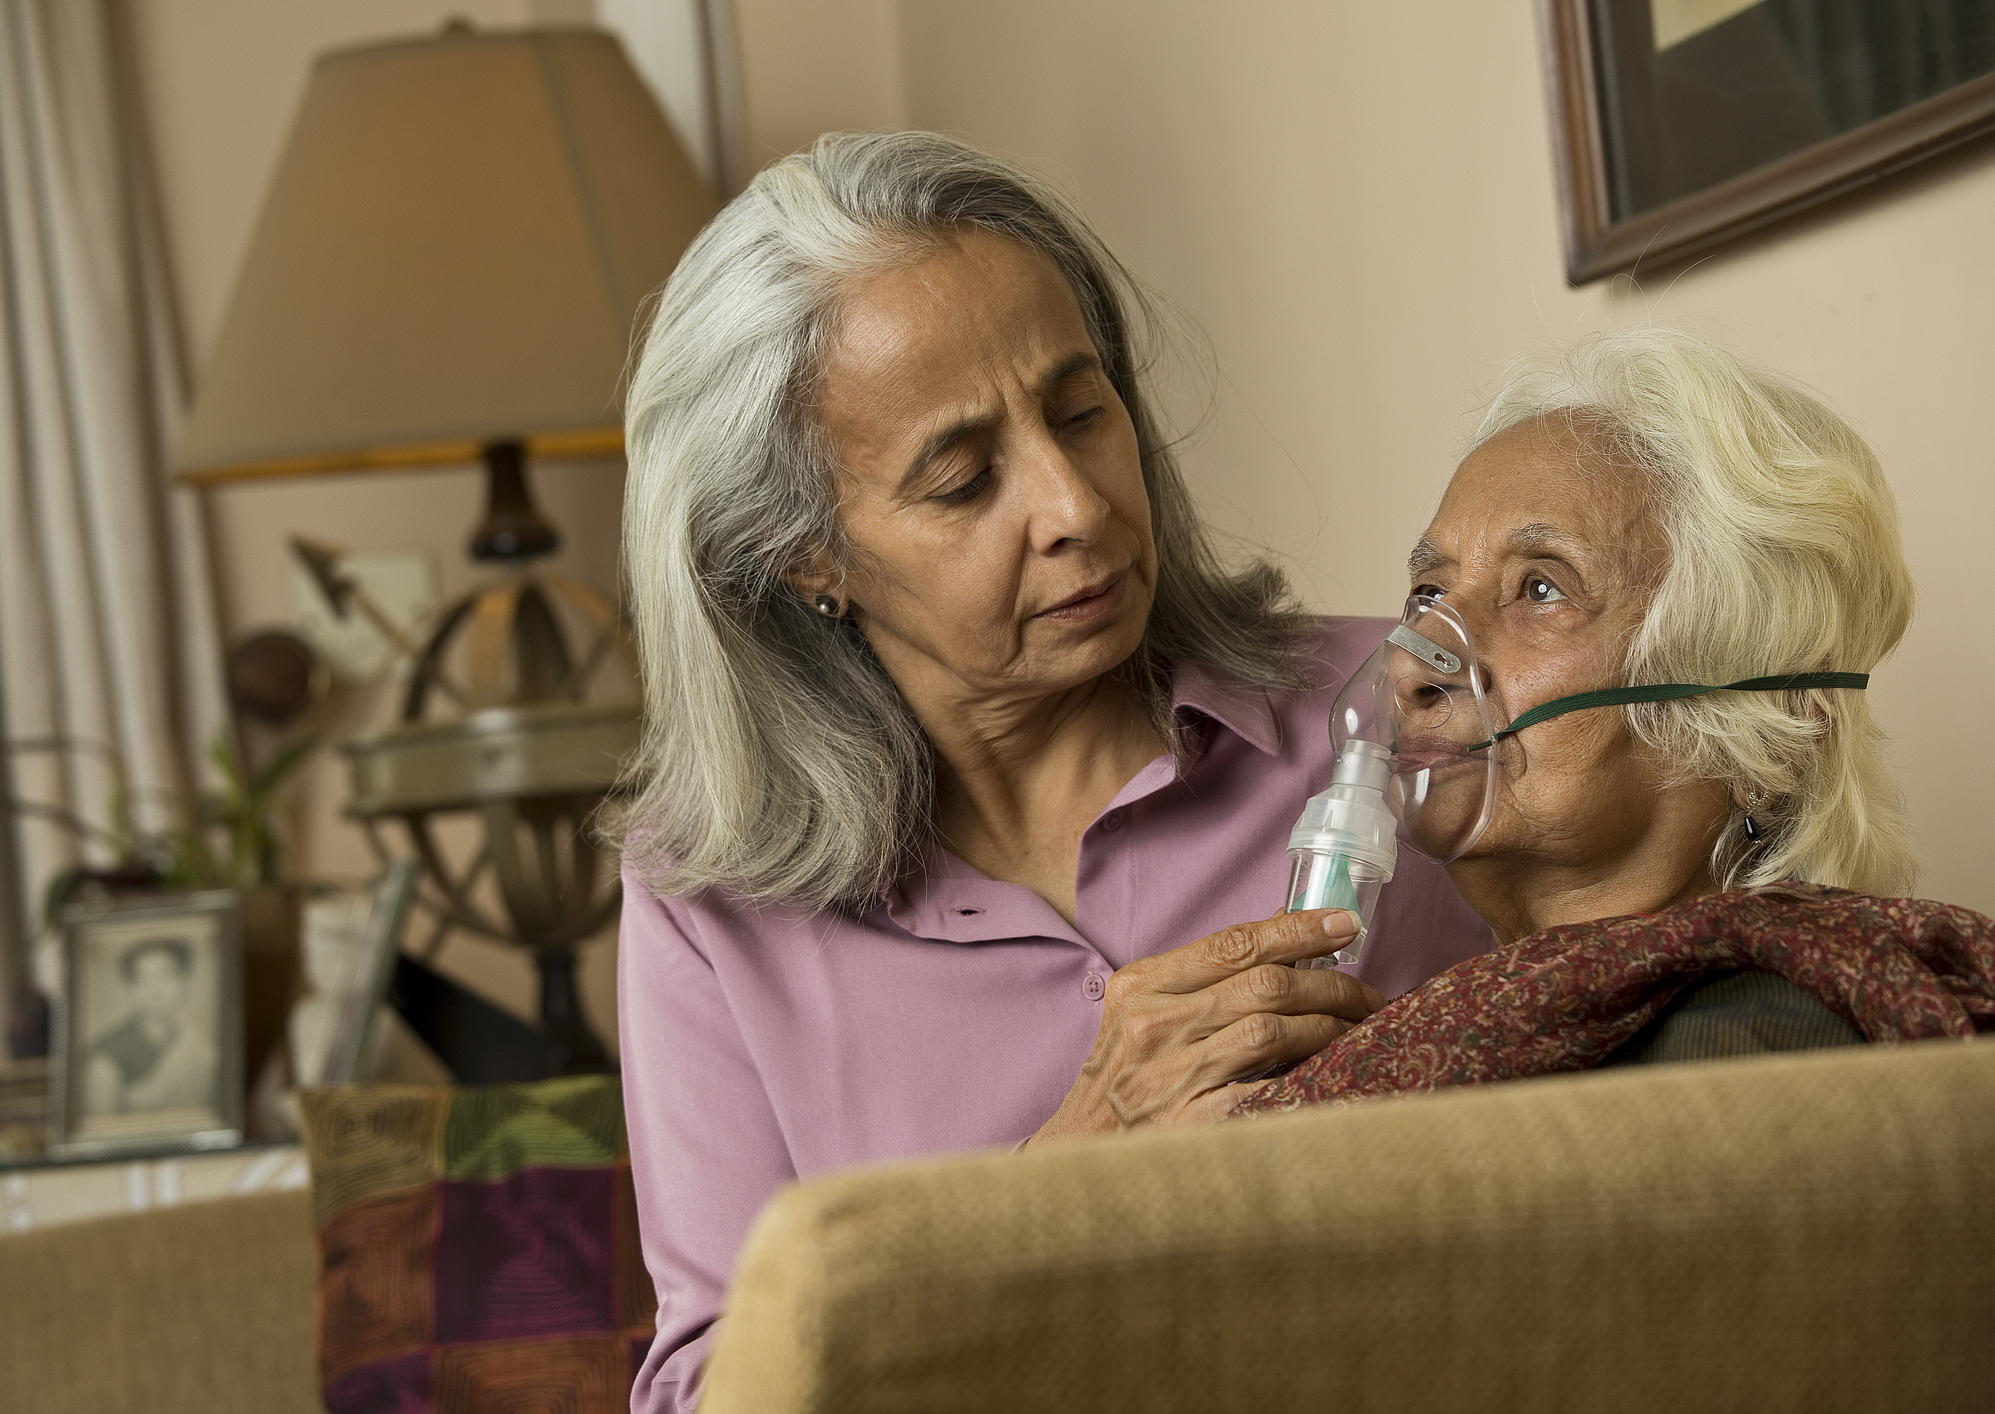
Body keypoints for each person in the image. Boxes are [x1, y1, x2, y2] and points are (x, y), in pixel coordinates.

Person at [612, 131, 1493, 1412]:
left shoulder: (1407, 711)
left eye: (1082, 411)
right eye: (964, 479)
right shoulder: (709, 904)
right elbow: (708, 1393)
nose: (1075, 501)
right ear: (809, 559)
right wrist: (1048, 1192)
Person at [1238, 329, 1995, 1116]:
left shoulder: (1748, 1056)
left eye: (1540, 589)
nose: (1407, 665)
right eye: (1428, 592)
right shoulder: (1478, 1038)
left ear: (1768, 724)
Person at [84, 937, 217, 1117]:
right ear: (130, 988)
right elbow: (103, 1122)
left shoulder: (198, 1040)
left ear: (184, 982)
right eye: (143, 979)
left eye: (166, 976)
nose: (155, 990)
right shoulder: (107, 1054)